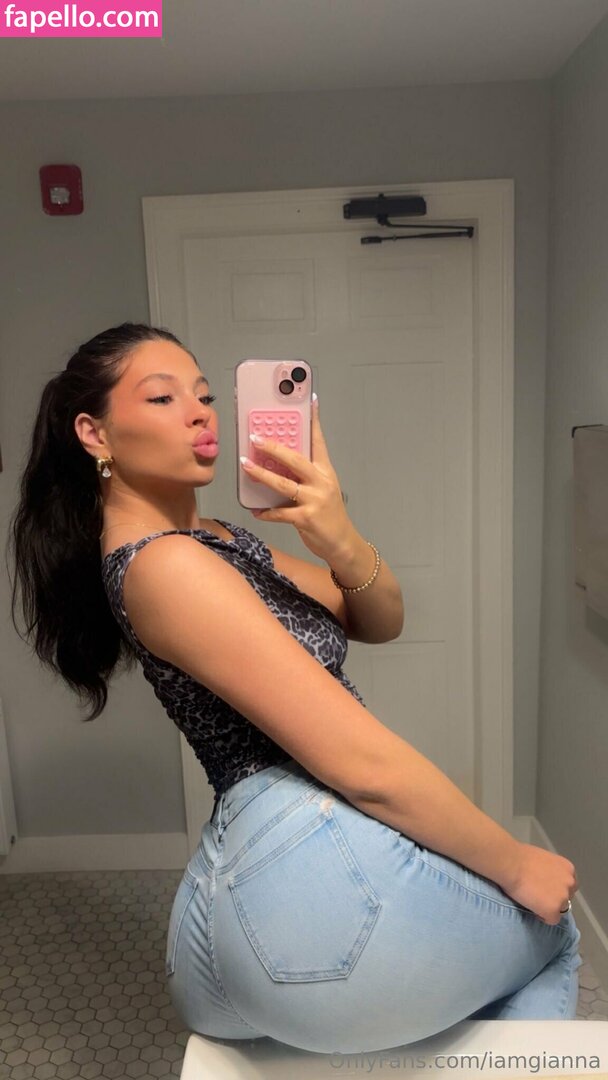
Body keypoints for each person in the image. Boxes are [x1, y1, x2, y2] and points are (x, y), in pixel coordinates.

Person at [8, 322, 582, 1055]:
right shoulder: (163, 565)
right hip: (306, 860)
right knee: (554, 927)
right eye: (162, 397)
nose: (199, 413)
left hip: (227, 911)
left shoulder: (218, 540)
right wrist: (517, 862)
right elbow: (362, 767)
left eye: (205, 395)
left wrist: (336, 532)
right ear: (95, 433)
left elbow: (380, 618)